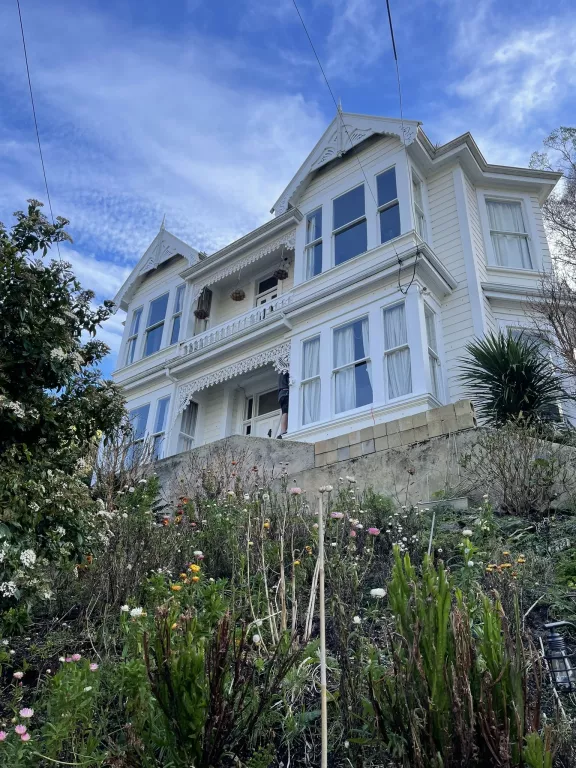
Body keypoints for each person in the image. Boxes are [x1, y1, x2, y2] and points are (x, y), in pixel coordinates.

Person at [277, 370, 289, 438]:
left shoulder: (281, 373)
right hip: (285, 393)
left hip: (281, 394)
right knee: (285, 412)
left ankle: (283, 429)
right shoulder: (286, 371)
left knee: (284, 412)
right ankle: (283, 430)